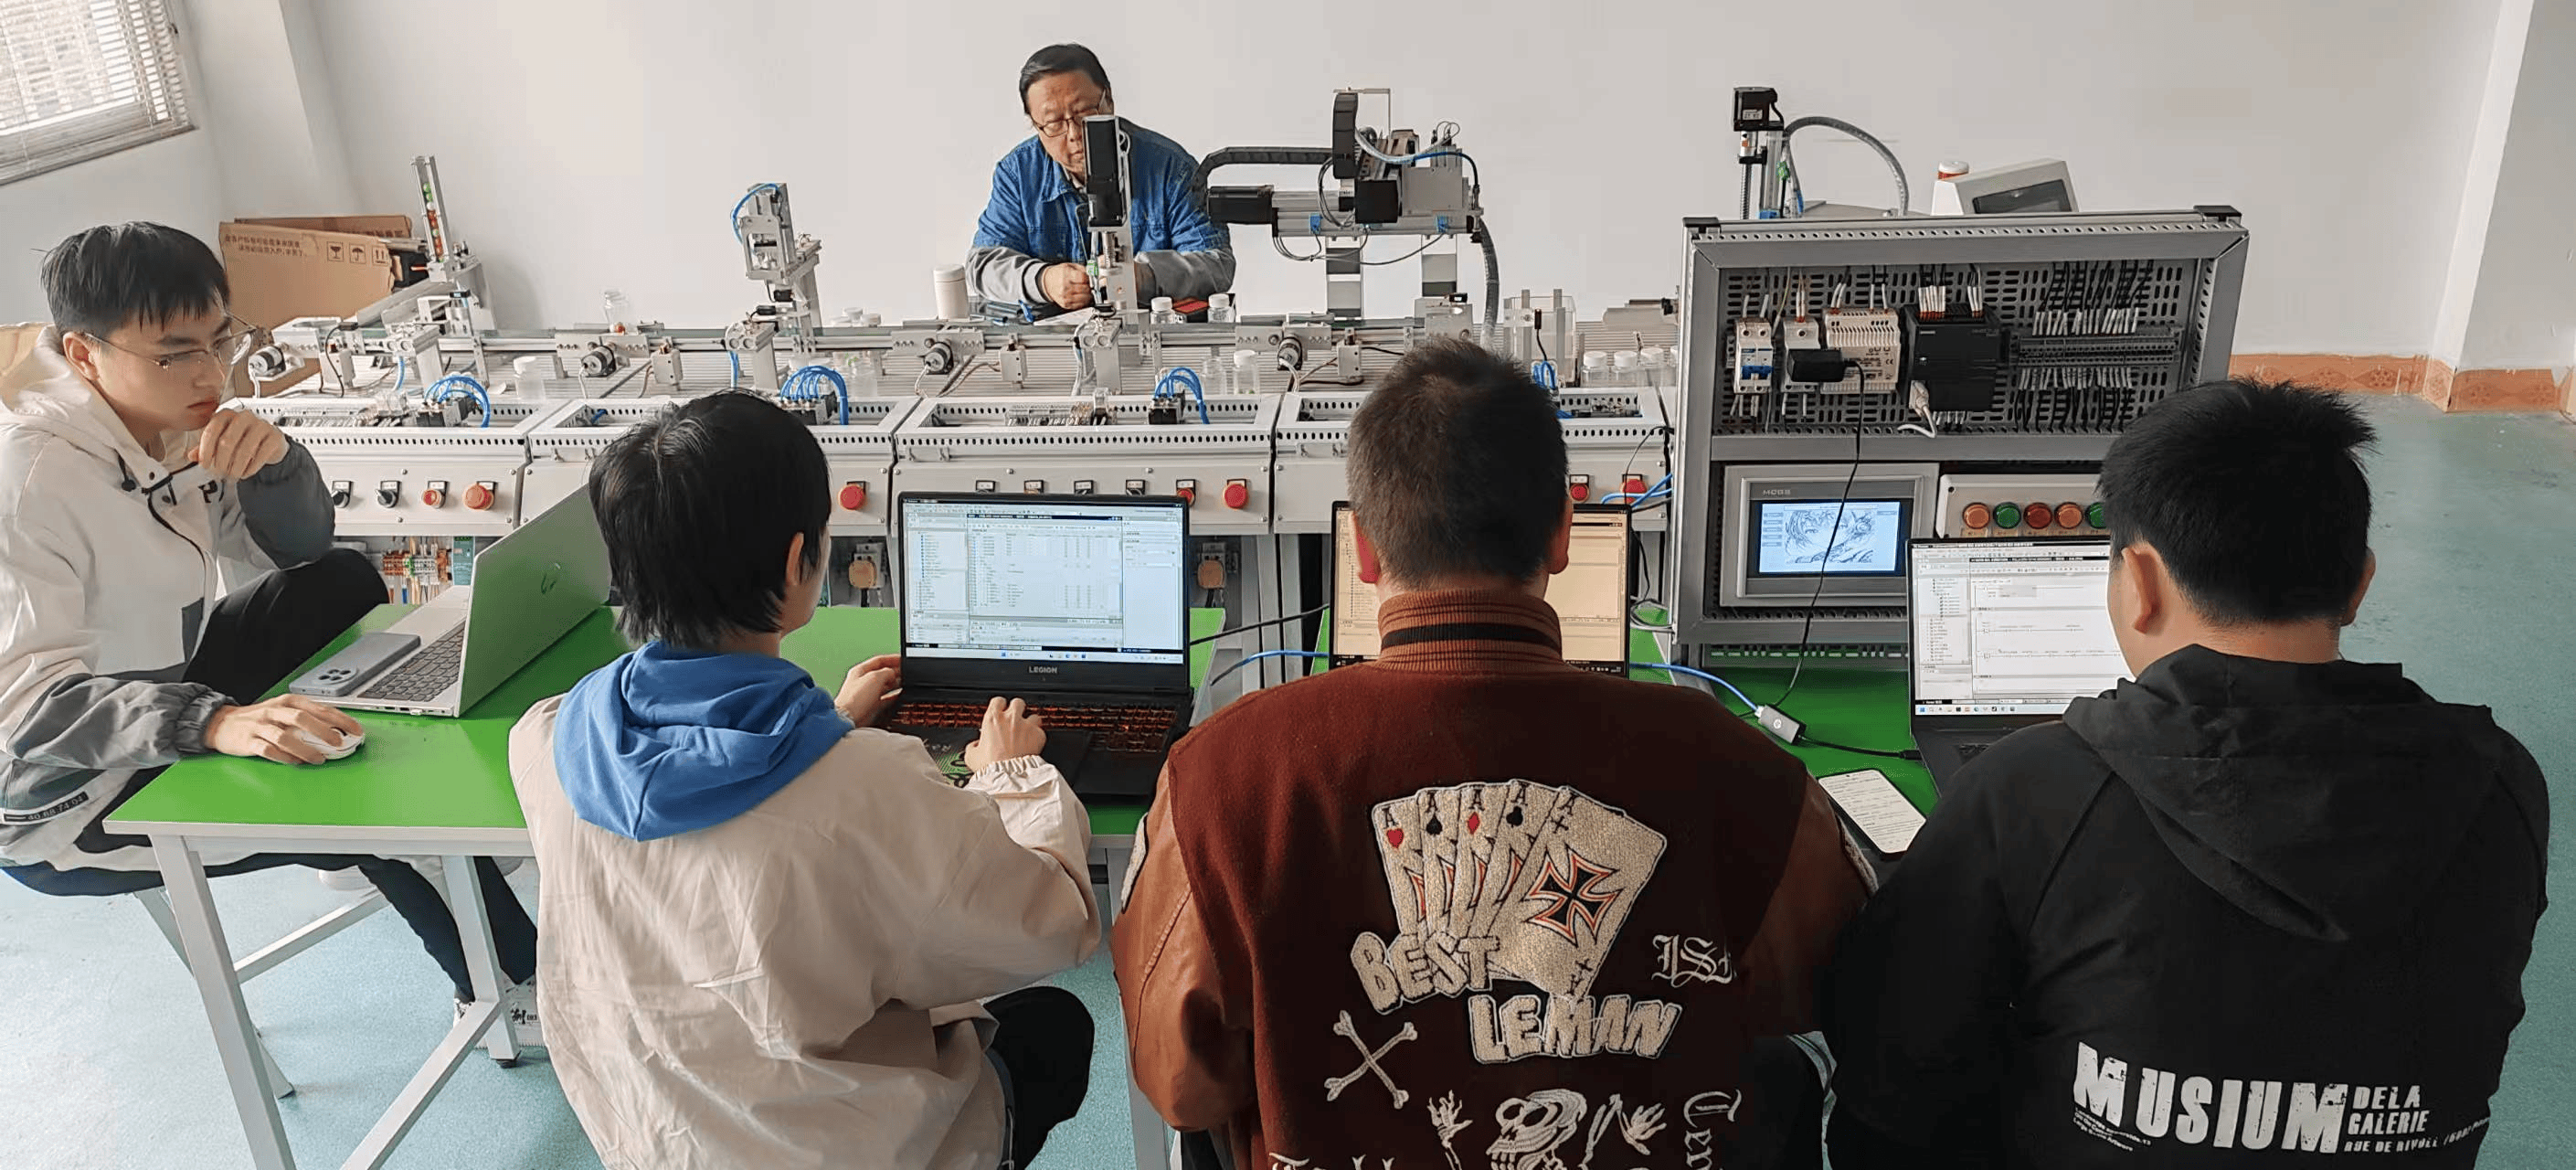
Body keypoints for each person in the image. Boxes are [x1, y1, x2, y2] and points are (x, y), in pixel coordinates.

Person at [1112, 338, 1872, 1168]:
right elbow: (1827, 990)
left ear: (1362, 549)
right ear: (1561, 536)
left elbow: (1182, 1086)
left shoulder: (1219, 777)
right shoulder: (1738, 765)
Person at [1824, 381, 2549, 1168]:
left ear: (2139, 582)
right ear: (2358, 584)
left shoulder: (2029, 789)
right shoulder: (2501, 781)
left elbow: (1894, 1077)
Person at [508, 391, 1100, 1170]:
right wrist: (1014, 774)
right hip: (845, 1149)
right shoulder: (865, 786)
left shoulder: (548, 739)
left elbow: (708, 792)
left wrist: (827, 723)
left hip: (658, 1138)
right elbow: (1050, 925)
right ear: (798, 561)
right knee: (1052, 1024)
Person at [0, 223, 540, 1028]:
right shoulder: (28, 483)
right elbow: (24, 711)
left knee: (340, 581)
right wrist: (211, 722)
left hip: (165, 685)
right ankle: (516, 993)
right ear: (84, 355)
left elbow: (298, 552)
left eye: (220, 340)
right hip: (64, 796)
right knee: (370, 799)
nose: (210, 372)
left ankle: (374, 827)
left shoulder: (169, 424)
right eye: (174, 353)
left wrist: (277, 465)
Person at [968, 43, 1235, 319]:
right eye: (1054, 123)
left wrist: (1145, 275)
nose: (1074, 134)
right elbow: (982, 265)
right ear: (1036, 125)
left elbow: (1217, 265)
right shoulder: (1018, 174)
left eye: (1085, 113)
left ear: (1109, 101)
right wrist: (1043, 281)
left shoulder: (1170, 168)